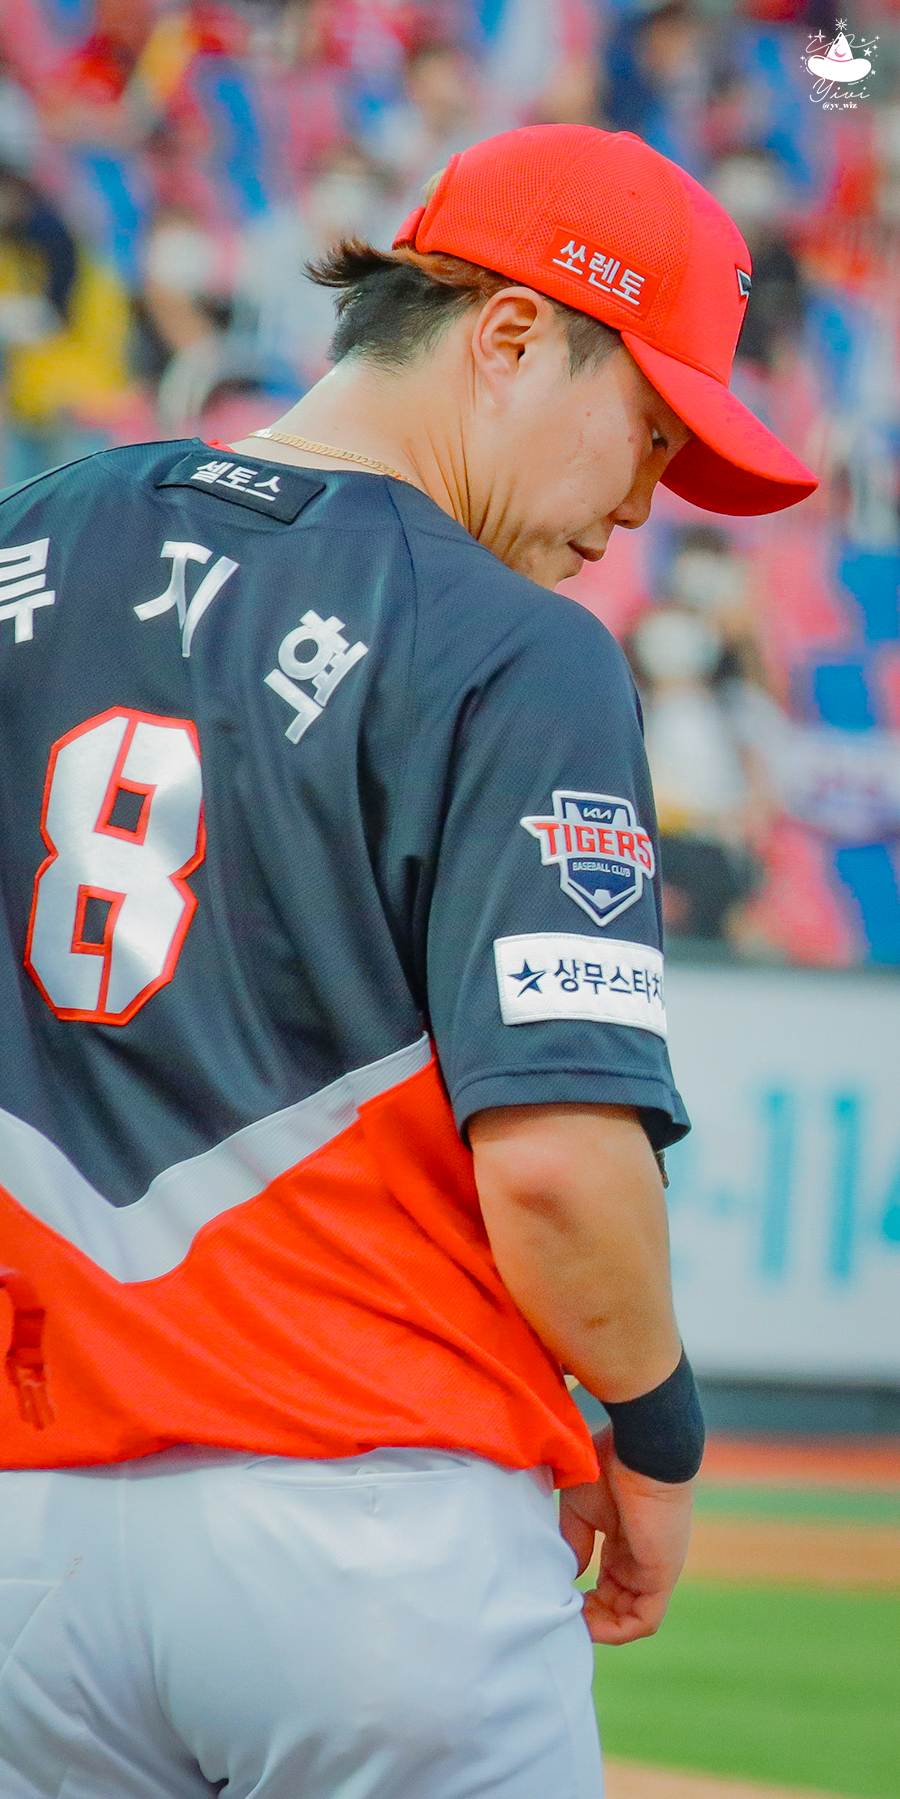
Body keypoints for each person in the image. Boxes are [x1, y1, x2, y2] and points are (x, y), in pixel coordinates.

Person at [0, 124, 816, 1799]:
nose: (645, 503)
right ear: (508, 335)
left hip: (31, 1541)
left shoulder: (30, 538)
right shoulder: (513, 647)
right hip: (376, 1526)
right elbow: (561, 1169)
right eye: (650, 427)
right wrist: (657, 1431)